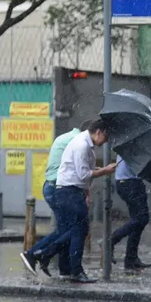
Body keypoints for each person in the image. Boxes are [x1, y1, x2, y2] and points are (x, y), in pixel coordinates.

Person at [20, 119, 117, 283]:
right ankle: (66, 266)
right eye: (106, 136)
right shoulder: (82, 145)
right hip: (69, 191)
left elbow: (83, 170)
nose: (107, 141)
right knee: (78, 230)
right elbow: (83, 175)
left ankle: (45, 256)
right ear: (98, 132)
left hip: (72, 191)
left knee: (70, 230)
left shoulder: (86, 146)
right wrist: (106, 171)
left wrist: (102, 170)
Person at [32, 119, 93, 278]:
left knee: (70, 228)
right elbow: (79, 171)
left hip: (54, 185)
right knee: (70, 229)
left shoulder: (67, 137)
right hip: (60, 187)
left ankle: (64, 268)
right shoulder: (78, 142)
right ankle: (36, 253)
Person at [106, 155, 151, 270]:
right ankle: (111, 241)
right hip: (130, 183)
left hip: (131, 182)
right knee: (142, 218)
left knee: (138, 220)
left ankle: (131, 259)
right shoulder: (135, 145)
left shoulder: (135, 143)